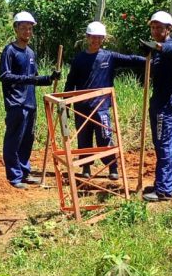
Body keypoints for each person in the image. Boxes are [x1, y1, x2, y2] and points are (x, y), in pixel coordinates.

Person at [63, 21, 147, 180]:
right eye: (93, 37)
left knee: (105, 137)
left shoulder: (109, 57)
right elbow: (70, 82)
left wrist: (149, 59)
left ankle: (112, 167)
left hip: (101, 107)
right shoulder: (79, 59)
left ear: (103, 39)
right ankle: (86, 167)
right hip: (81, 107)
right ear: (87, 37)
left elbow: (130, 59)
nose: (96, 40)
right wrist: (66, 103)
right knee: (83, 139)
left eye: (99, 38)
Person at [0, 11, 60, 189]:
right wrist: (33, 79)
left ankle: (24, 172)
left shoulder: (31, 52)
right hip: (16, 103)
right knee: (14, 139)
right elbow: (5, 76)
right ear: (16, 29)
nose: (27, 31)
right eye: (23, 28)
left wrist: (49, 78)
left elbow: (34, 77)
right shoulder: (9, 51)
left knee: (28, 139)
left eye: (30, 28)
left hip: (30, 102)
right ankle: (14, 176)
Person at [139, 11, 172, 202]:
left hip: (167, 105)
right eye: (153, 27)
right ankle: (162, 183)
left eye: (159, 27)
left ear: (169, 29)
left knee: (165, 145)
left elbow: (168, 50)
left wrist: (154, 46)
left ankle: (164, 190)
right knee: (161, 144)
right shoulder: (159, 51)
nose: (155, 31)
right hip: (158, 101)